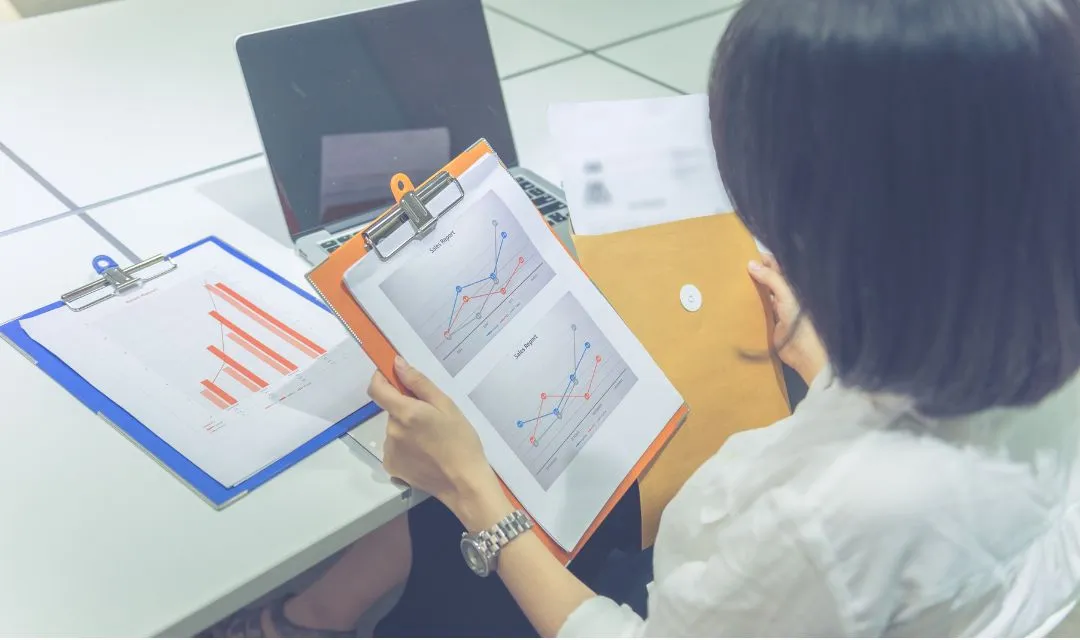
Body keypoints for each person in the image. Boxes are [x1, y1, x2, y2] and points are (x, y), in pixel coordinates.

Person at [208, 0, 1080, 635]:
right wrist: (825, 363)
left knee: (451, 498)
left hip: (671, 601)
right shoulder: (1029, 358)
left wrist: (476, 492)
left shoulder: (824, 521)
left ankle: (325, 612)